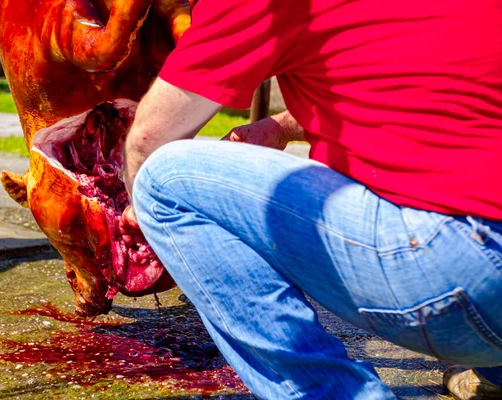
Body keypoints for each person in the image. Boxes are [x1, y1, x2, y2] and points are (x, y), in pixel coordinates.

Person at [120, 0, 502, 398]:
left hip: (462, 280)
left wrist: (138, 212)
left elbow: (150, 139)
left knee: (166, 178)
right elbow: (431, 87)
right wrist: (281, 127)